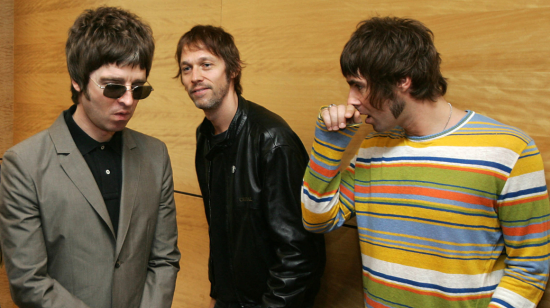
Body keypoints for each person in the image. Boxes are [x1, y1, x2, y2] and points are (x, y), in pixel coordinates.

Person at [301, 16, 550, 308]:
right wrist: (329, 146)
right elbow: (317, 219)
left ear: (402, 79)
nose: (351, 100)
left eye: (359, 86)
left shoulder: (509, 151)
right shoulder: (372, 148)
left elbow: (529, 269)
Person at [0, 7, 180, 308]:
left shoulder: (155, 155)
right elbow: (28, 282)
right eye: (112, 86)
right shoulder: (24, 164)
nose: (128, 100)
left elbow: (164, 260)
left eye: (138, 88)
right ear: (77, 79)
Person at [175, 25, 325, 308]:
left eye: (206, 65)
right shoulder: (204, 136)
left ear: (232, 70)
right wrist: (217, 294)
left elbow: (301, 255)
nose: (195, 77)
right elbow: (222, 231)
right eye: (186, 68)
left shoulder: (272, 140)